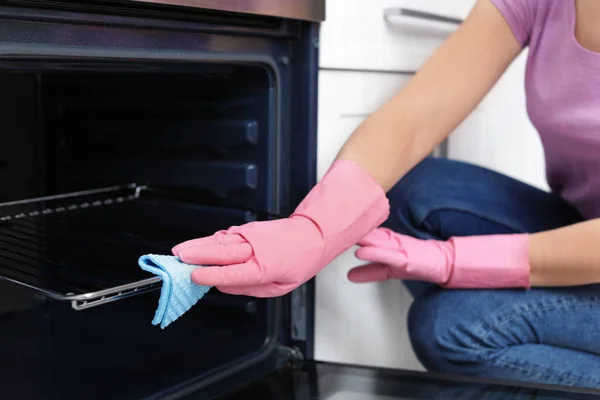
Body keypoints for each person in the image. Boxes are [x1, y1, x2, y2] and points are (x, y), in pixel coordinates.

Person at [171, 0, 600, 388]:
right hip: (581, 225)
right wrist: (315, 228)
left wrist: (453, 262)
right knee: (418, 193)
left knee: (454, 327)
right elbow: (415, 115)